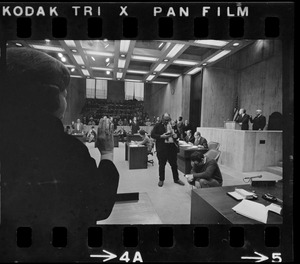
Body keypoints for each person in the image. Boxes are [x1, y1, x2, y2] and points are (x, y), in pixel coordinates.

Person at [0, 48, 119, 261]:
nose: (65, 99)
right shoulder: (68, 150)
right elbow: (99, 206)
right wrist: (107, 153)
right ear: (49, 96)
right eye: (64, 94)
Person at [151, 113, 185, 187]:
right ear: (162, 119)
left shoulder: (173, 125)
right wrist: (161, 136)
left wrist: (176, 135)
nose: (167, 121)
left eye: (168, 119)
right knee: (162, 165)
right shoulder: (158, 125)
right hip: (162, 148)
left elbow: (178, 134)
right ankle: (161, 180)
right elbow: (152, 135)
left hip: (171, 148)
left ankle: (176, 179)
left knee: (174, 165)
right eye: (165, 120)